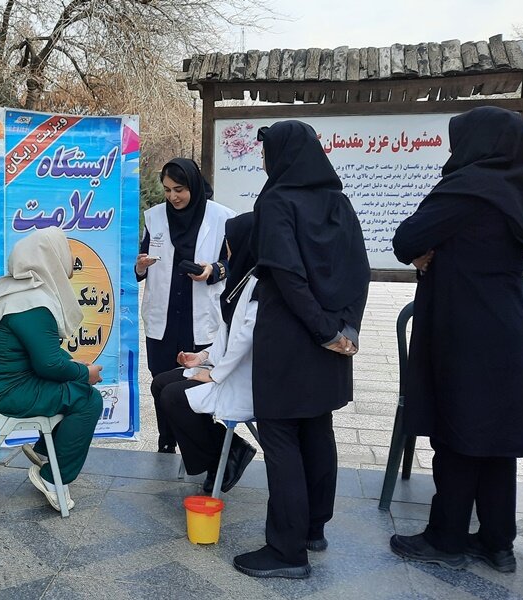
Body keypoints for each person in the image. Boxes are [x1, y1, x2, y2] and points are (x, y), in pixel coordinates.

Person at [389, 107, 523, 573]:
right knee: (496, 440)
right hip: (507, 330)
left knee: (457, 432)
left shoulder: (467, 187)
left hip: (466, 331)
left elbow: (407, 238)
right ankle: (497, 543)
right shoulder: (514, 190)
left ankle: (447, 538)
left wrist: (424, 253)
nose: (453, 150)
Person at [233, 120, 370, 580]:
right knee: (317, 428)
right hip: (330, 342)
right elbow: (359, 269)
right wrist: (345, 329)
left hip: (290, 340)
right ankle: (314, 529)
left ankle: (286, 551)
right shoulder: (338, 201)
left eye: (266, 153)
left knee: (281, 438)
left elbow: (287, 276)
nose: (264, 162)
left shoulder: (276, 200)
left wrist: (322, 330)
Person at [0, 227, 103, 512]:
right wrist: (85, 374)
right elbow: (49, 365)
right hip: (6, 392)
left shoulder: (11, 289)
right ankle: (53, 478)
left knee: (75, 385)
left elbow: (40, 353)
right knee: (89, 399)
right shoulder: (32, 303)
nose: (69, 260)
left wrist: (72, 366)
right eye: (65, 252)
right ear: (52, 258)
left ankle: (44, 452)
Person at [152, 213, 258, 494]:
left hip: (244, 379)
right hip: (226, 369)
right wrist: (202, 357)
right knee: (160, 383)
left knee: (175, 396)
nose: (228, 252)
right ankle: (228, 448)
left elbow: (246, 340)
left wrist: (215, 374)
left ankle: (218, 459)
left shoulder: (260, 285)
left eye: (230, 245)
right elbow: (228, 336)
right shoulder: (241, 279)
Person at [136, 158, 235, 454]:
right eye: (167, 190)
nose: (173, 197)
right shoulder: (154, 217)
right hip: (164, 317)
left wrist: (213, 270)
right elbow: (141, 260)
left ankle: (202, 449)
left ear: (193, 185)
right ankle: (166, 441)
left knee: (196, 385)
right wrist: (141, 266)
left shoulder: (222, 217)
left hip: (200, 316)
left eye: (179, 189)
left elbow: (235, 263)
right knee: (160, 381)